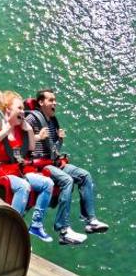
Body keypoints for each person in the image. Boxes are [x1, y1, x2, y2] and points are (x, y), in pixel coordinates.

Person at [25, 89, 108, 243]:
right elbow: (23, 142)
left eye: (55, 100)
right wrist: (37, 137)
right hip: (39, 166)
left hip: (54, 163)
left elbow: (54, 149)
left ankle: (90, 221)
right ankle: (63, 230)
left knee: (84, 175)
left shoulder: (53, 121)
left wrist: (60, 140)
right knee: (67, 180)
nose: (54, 103)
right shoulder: (31, 119)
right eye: (50, 100)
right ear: (41, 102)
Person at [0, 88, 56, 242]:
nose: (23, 112)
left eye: (23, 108)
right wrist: (4, 132)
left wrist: (30, 131)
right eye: (19, 108)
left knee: (48, 183)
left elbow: (31, 147)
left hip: (15, 170)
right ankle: (10, 230)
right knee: (23, 186)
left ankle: (36, 225)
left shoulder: (20, 129)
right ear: (8, 109)